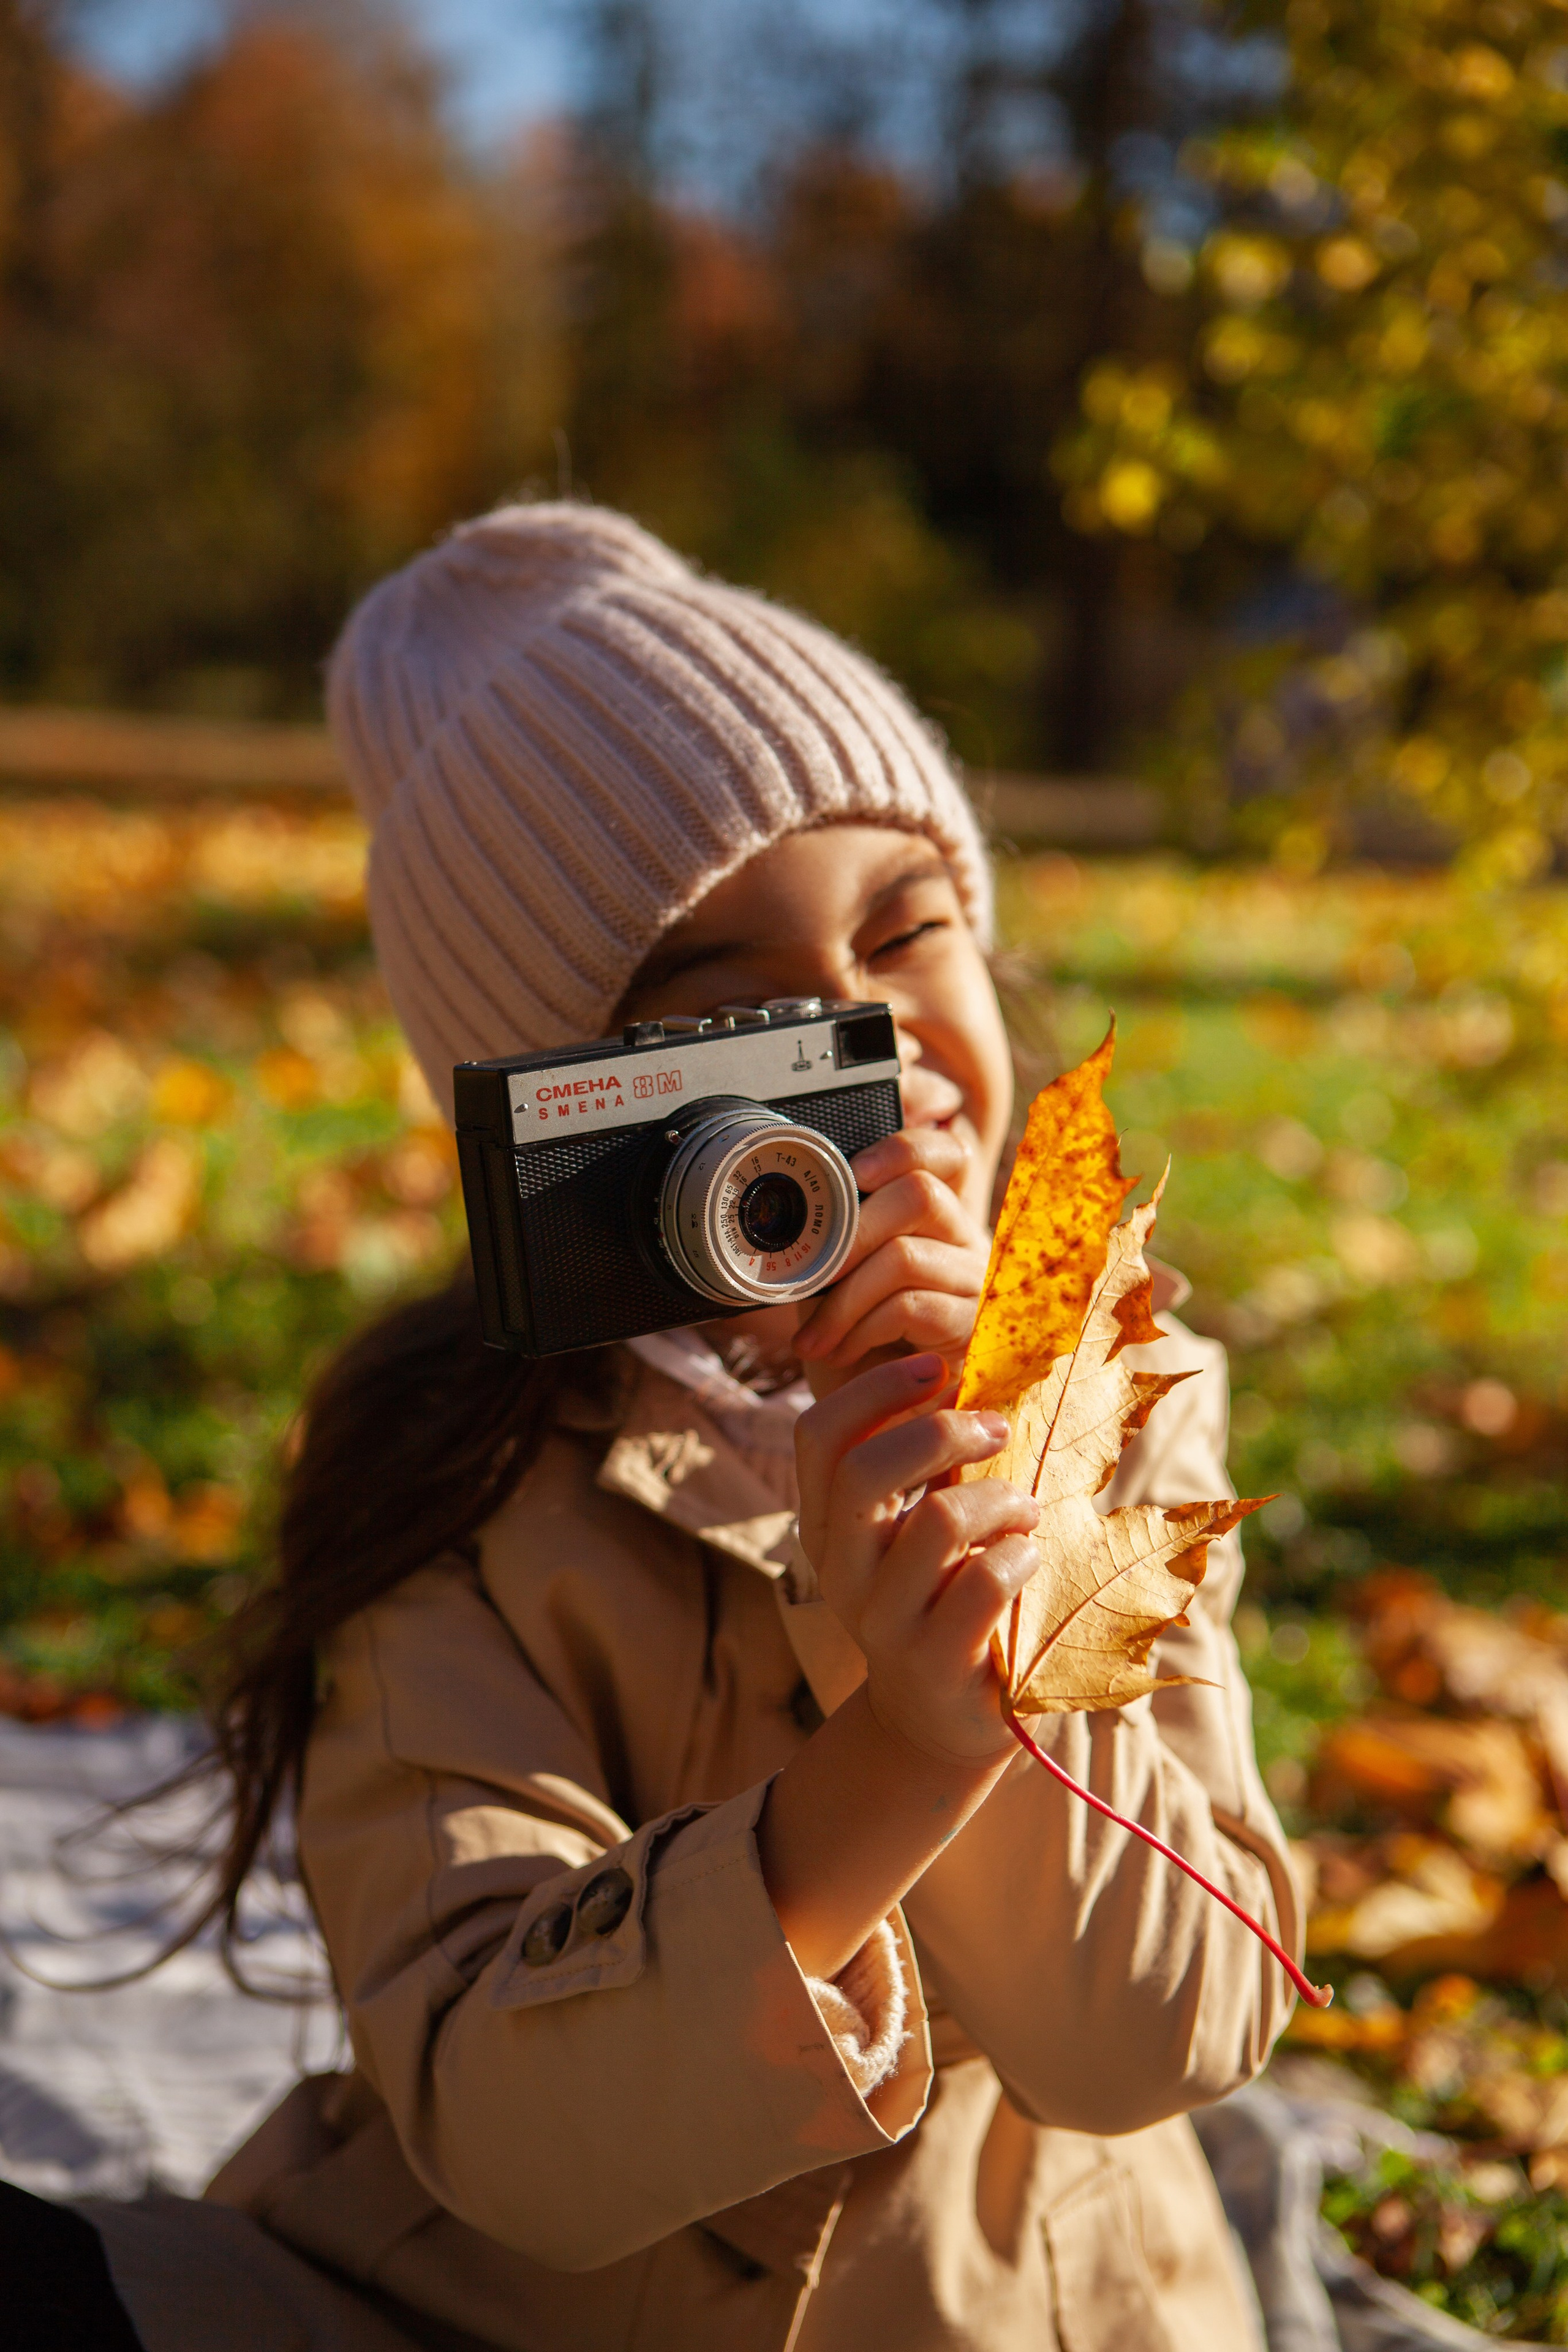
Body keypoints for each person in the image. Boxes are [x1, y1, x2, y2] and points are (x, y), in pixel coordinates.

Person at [26, 504, 1300, 2351]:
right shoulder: (451, 1474)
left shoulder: (1112, 1393)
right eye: (734, 1015)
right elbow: (505, 2128)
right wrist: (881, 1773)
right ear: (555, 1125)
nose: (865, 1042)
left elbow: (1160, 2035)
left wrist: (987, 1627)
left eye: (909, 929)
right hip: (488, 2308)